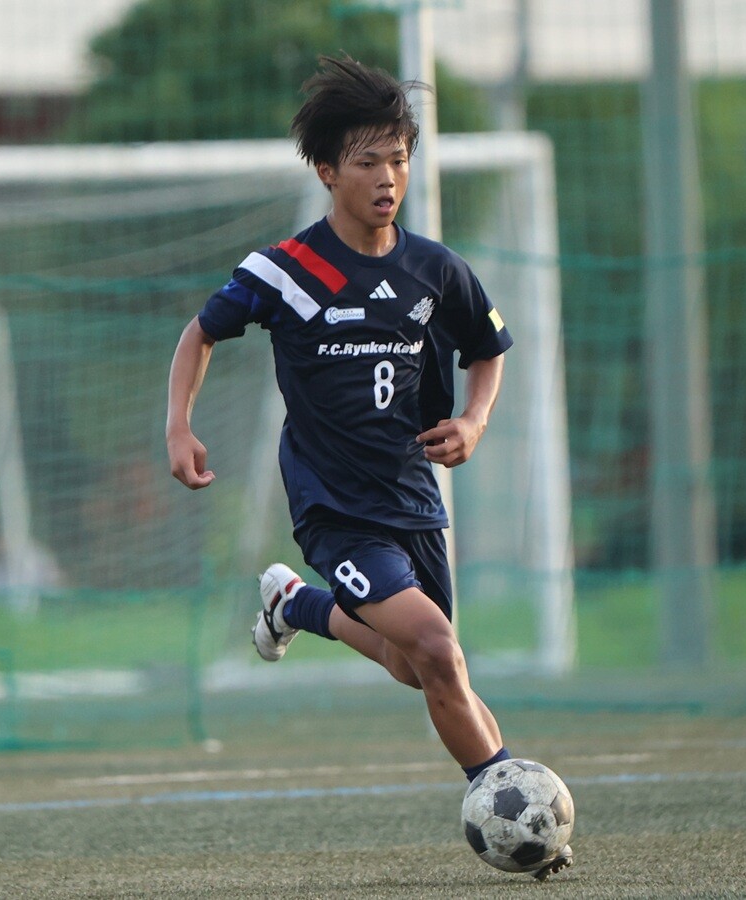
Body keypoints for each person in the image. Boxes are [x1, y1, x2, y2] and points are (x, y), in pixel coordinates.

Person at [166, 54, 570, 875]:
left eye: (400, 158)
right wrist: (179, 426)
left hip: (414, 499)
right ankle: (508, 798)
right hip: (333, 505)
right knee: (438, 647)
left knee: (412, 665)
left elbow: (489, 351)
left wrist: (475, 419)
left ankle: (296, 606)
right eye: (368, 161)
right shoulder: (286, 271)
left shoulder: (434, 270)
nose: (389, 177)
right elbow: (200, 333)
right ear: (327, 170)